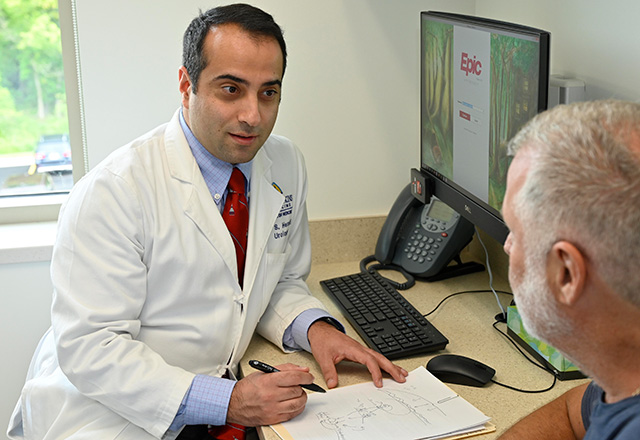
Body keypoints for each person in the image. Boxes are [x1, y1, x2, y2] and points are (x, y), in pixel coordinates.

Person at [7, 4, 407, 440]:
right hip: (110, 415)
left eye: (268, 92)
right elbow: (92, 351)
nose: (253, 115)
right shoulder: (113, 191)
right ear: (186, 85)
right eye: (231, 89)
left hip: (219, 395)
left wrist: (315, 329)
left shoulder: (285, 163)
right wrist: (229, 401)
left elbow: (274, 281)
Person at [498, 100, 640, 439]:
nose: (506, 246)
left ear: (566, 274)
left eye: (515, 233)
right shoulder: (624, 378)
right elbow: (573, 413)